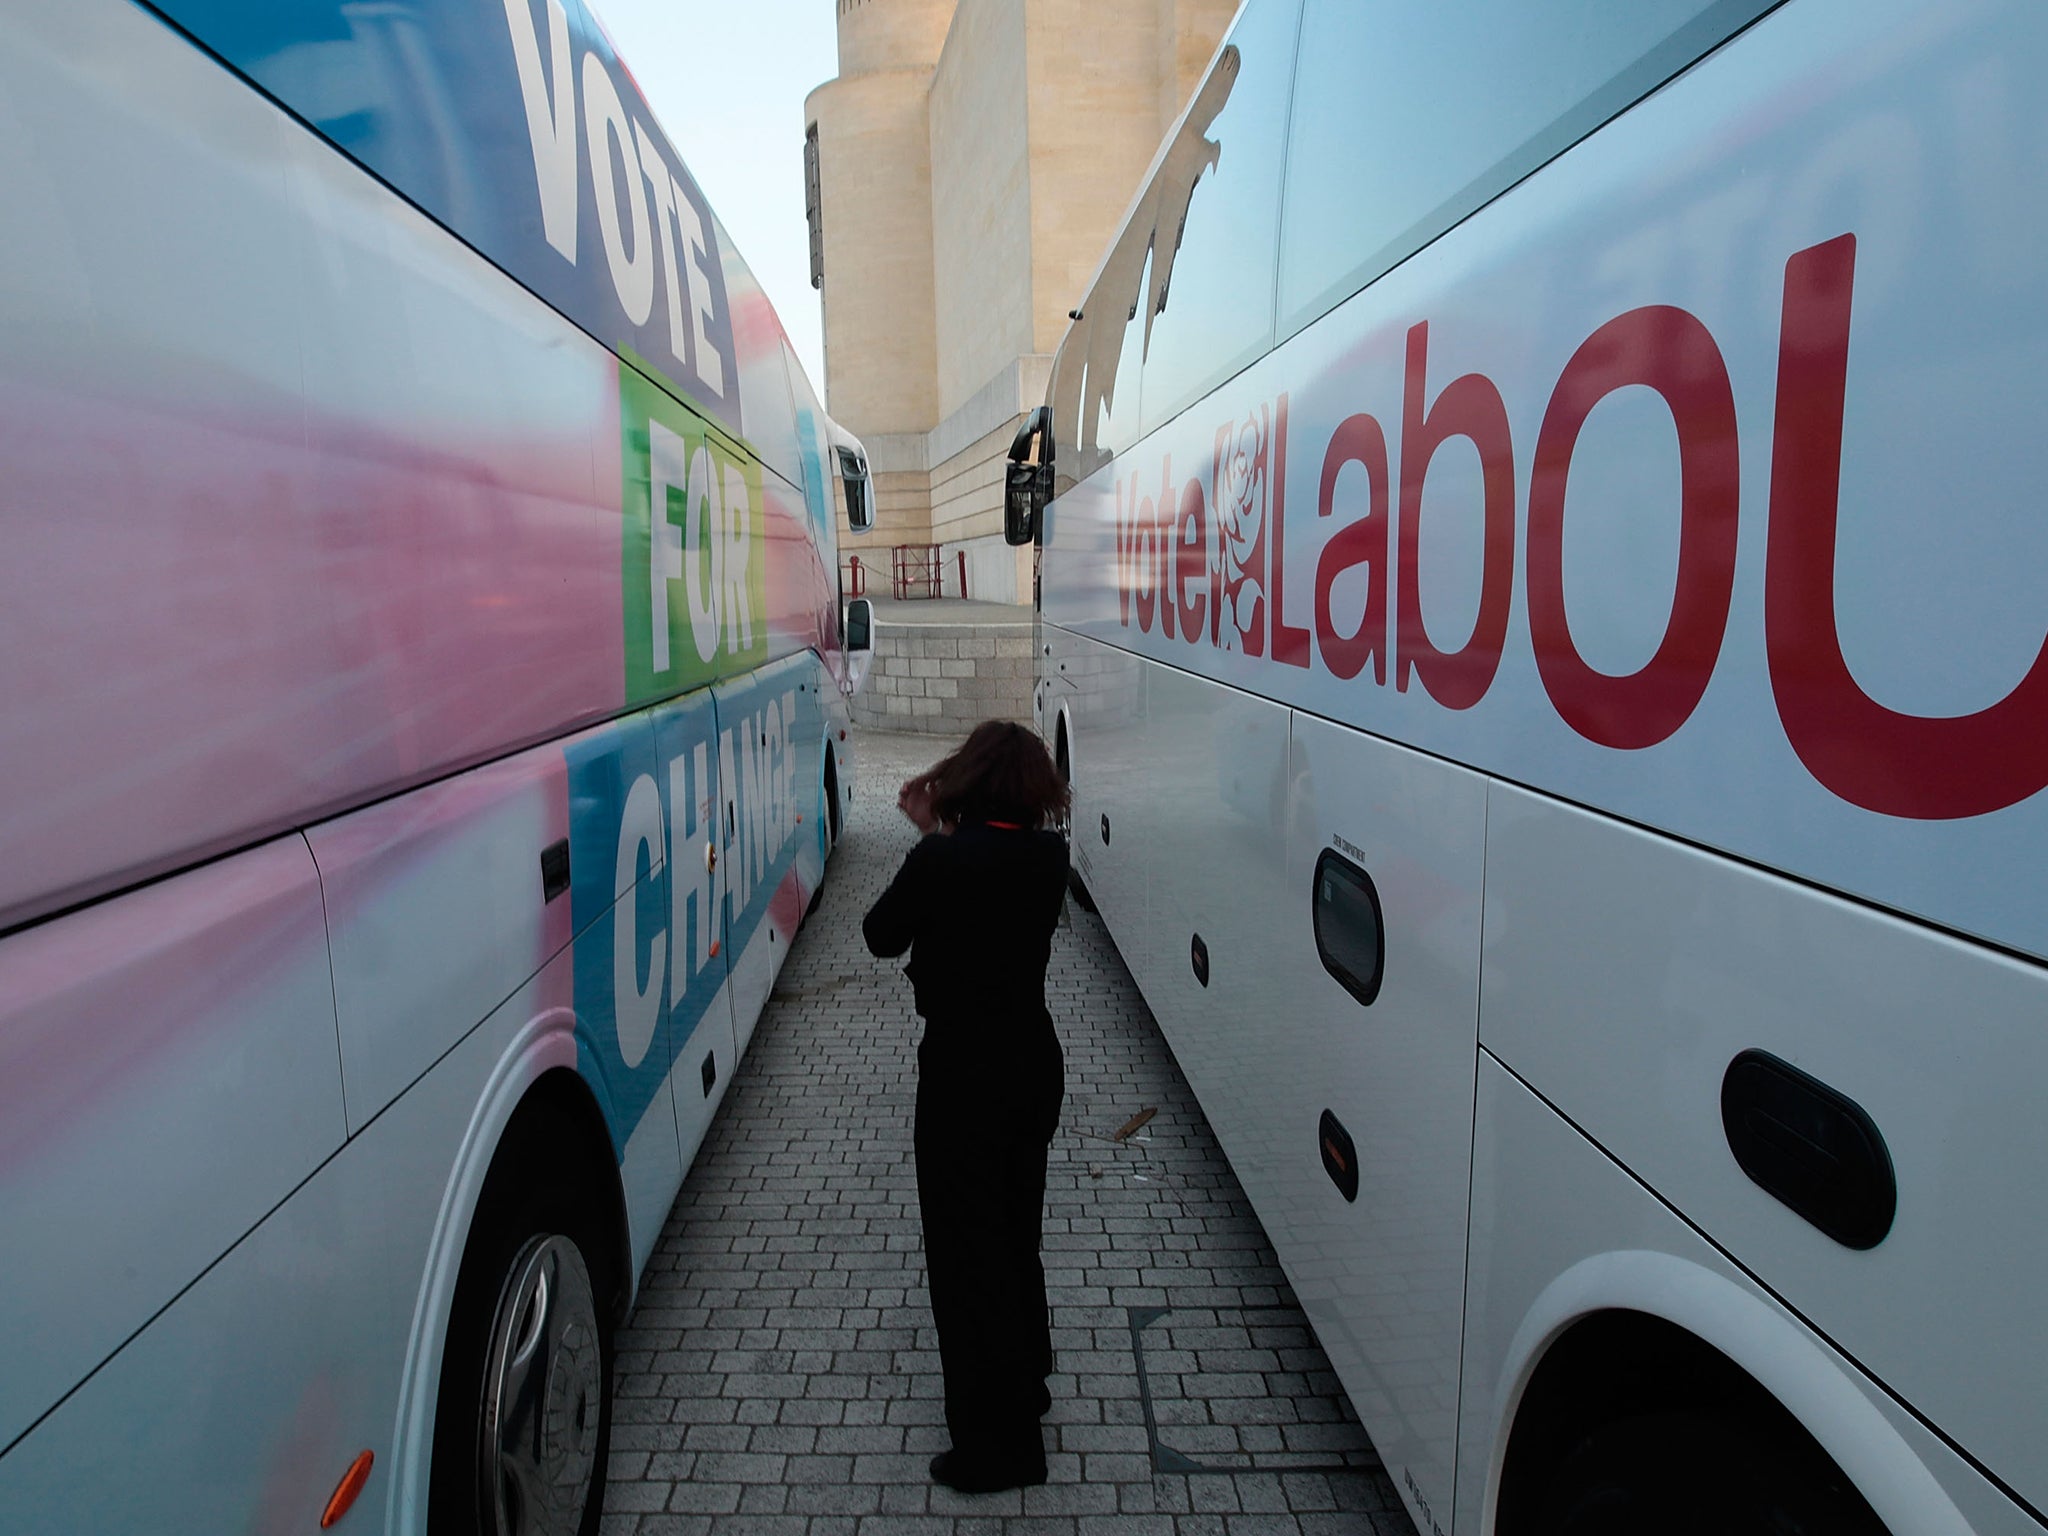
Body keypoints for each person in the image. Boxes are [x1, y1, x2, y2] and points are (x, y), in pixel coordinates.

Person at [862, 720, 1072, 1493]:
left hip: (962, 1079)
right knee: (1017, 1232)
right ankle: (1030, 1382)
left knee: (966, 1259)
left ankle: (999, 1449)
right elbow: (991, 859)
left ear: (969, 780)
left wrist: (929, 834)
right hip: (1032, 1069)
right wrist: (939, 836)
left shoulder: (940, 862)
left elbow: (880, 934)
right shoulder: (1049, 857)